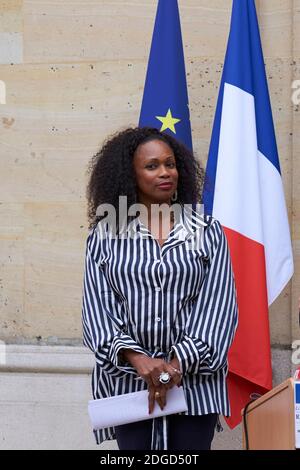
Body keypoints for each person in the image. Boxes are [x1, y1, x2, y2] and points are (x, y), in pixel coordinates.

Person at [81, 126, 238, 450]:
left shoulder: (207, 231)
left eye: (170, 164)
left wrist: (175, 367)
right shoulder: (105, 235)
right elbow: (97, 312)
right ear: (130, 175)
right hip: (128, 386)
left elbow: (218, 308)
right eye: (152, 166)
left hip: (196, 386)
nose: (165, 173)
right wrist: (141, 361)